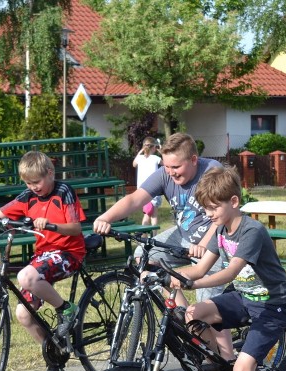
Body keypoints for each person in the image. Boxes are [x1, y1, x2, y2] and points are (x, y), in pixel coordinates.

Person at [169, 165, 286, 371]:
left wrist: (191, 283)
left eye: (214, 207)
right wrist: (170, 275)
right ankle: (223, 366)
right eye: (206, 208)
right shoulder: (222, 231)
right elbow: (200, 269)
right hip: (245, 299)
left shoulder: (251, 230)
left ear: (234, 202)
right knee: (193, 313)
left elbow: (229, 272)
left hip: (272, 307)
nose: (209, 213)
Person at [93, 132, 233, 358]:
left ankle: (228, 360)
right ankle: (181, 312)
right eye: (166, 166)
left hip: (214, 240)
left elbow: (226, 215)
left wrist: (206, 244)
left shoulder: (211, 171)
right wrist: (105, 218)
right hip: (183, 237)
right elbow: (135, 199)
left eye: (176, 166)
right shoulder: (165, 174)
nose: (170, 172)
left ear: (194, 160)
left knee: (209, 306)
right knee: (143, 257)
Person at [0, 151, 87, 371]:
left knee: (26, 276)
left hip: (68, 252)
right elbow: (0, 213)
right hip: (43, 256)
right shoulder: (28, 197)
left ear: (50, 173)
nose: (33, 187)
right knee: (23, 314)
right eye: (28, 183)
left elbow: (76, 228)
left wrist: (52, 226)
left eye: (36, 182)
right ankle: (54, 354)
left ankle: (67, 309)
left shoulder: (63, 192)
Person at [133, 137, 162, 226]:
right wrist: (160, 150)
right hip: (154, 188)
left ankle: (144, 236)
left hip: (142, 190)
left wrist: (139, 152)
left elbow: (134, 164)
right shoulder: (156, 158)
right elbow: (167, 164)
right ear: (154, 147)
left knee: (147, 212)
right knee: (153, 215)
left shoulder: (140, 158)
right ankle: (153, 237)